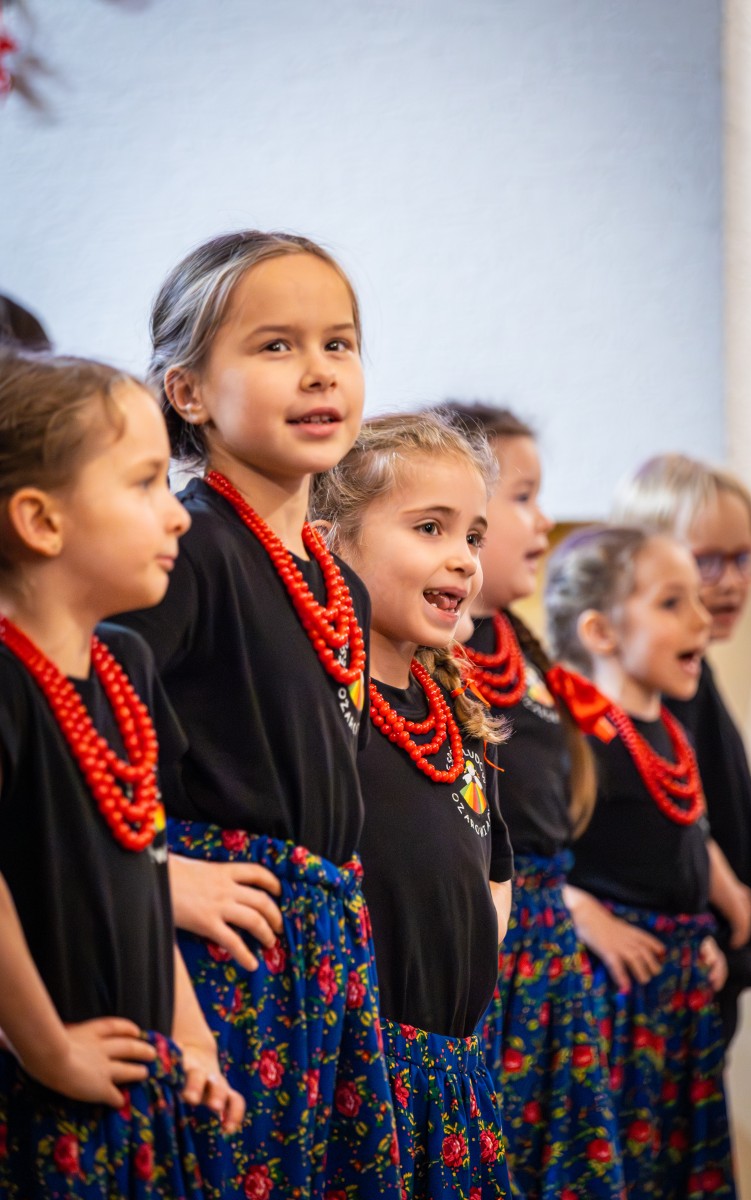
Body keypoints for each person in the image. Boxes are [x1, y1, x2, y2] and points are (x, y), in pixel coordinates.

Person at [117, 231, 401, 1199]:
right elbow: (74, 750)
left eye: (338, 342)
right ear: (188, 392)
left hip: (321, 952)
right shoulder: (184, 550)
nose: (319, 370)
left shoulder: (336, 581)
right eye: (276, 345)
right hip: (225, 952)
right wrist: (161, 880)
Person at [0, 348, 243, 1199]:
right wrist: (49, 1048)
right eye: (144, 484)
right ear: (42, 521)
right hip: (43, 1096)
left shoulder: (125, 664)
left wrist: (193, 1037)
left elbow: (147, 865)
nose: (177, 515)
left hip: (139, 1084)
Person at [312, 411, 514, 1199]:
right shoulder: (322, 705)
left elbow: (495, 868)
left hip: (452, 1072)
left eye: (473, 536)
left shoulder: (454, 714)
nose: (463, 558)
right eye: (431, 528)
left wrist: (469, 947)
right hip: (359, 1078)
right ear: (330, 544)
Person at [434, 403, 624, 1199]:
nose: (544, 519)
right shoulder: (433, 650)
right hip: (491, 946)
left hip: (548, 947)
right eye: (523, 497)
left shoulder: (523, 649)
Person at [545, 525, 738, 1199]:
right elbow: (527, 857)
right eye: (671, 603)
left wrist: (703, 926)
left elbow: (674, 849)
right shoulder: (576, 738)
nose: (701, 619)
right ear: (600, 631)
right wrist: (585, 914)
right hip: (617, 995)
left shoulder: (671, 732)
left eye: (697, 600)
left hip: (678, 987)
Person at [612, 452, 751, 1047]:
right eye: (707, 561)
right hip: (665, 957)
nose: (731, 581)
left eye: (744, 558)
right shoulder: (640, 689)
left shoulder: (695, 673)